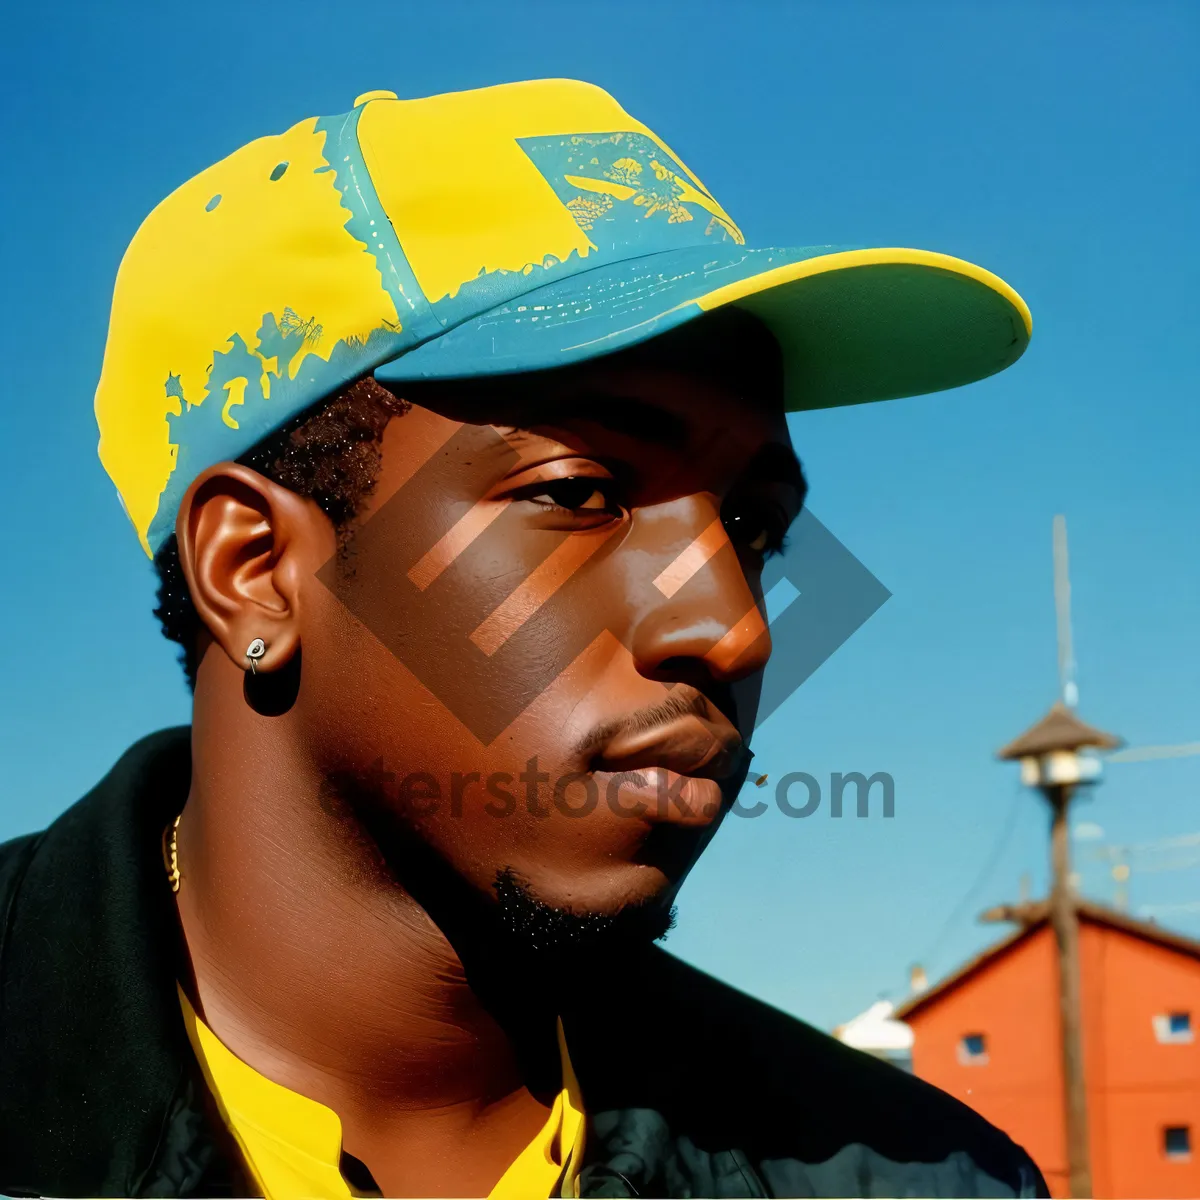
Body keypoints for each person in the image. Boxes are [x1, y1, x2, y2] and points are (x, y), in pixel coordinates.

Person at [0, 80, 1044, 1198]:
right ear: (253, 569)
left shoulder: (916, 1179)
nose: (735, 629)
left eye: (753, 527)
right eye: (580, 493)